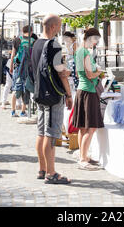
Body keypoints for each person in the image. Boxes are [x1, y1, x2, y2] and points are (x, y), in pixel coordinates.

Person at [31, 14, 72, 184]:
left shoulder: (35, 44)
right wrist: (69, 94)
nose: (60, 29)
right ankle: (51, 172)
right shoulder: (53, 44)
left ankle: (42, 168)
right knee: (52, 133)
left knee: (41, 132)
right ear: (53, 26)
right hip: (53, 95)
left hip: (40, 93)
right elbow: (60, 71)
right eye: (60, 26)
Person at [73, 28, 105, 170]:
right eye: (96, 40)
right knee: (91, 128)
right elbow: (90, 74)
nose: (96, 43)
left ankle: (83, 156)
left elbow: (79, 74)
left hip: (82, 90)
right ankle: (83, 158)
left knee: (83, 128)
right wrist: (99, 71)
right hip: (88, 92)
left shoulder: (79, 51)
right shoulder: (85, 52)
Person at [9, 26, 35, 118]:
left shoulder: (17, 40)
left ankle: (13, 111)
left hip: (17, 66)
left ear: (22, 31)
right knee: (26, 88)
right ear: (31, 32)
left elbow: (13, 54)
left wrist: (11, 66)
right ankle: (23, 111)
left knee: (16, 88)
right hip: (28, 68)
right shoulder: (32, 40)